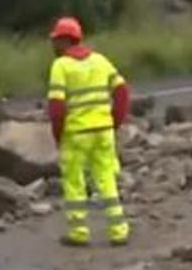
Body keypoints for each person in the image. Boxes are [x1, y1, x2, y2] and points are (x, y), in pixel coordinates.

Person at [46, 16, 131, 247]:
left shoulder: (61, 66)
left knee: (74, 181)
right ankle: (118, 230)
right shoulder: (100, 61)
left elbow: (56, 107)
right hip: (103, 131)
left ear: (65, 40)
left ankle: (79, 232)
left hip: (76, 134)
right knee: (106, 178)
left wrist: (58, 134)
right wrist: (114, 122)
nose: (53, 45)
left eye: (55, 40)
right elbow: (122, 92)